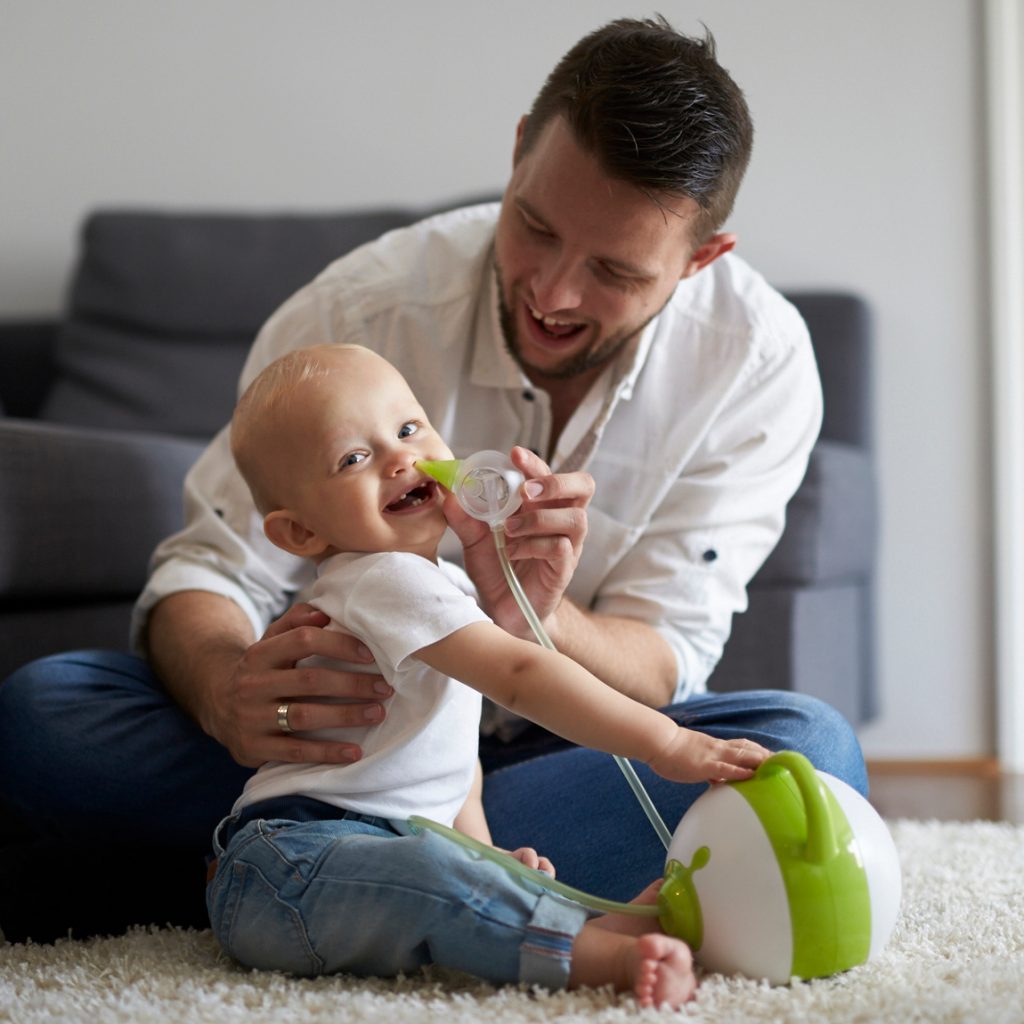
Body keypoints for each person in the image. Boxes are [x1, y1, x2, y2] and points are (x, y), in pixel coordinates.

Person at [0, 16, 866, 943]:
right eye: (533, 225)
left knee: (806, 752)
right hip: (327, 748)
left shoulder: (755, 363)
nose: (553, 293)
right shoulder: (357, 309)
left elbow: (662, 661)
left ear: (700, 261)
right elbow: (214, 566)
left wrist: (538, 616)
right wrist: (232, 696)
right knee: (48, 716)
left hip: (567, 734)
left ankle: (323, 875)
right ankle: (433, 879)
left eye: (613, 269)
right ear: (520, 151)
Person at [211, 341, 769, 1005]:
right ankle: (595, 955)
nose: (400, 458)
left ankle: (572, 924)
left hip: (363, 858)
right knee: (431, 871)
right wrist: (669, 744)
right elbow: (519, 675)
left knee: (461, 871)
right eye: (353, 459)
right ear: (300, 534)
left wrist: (484, 852)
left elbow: (452, 766)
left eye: (409, 428)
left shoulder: (437, 585)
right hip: (291, 865)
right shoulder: (382, 579)